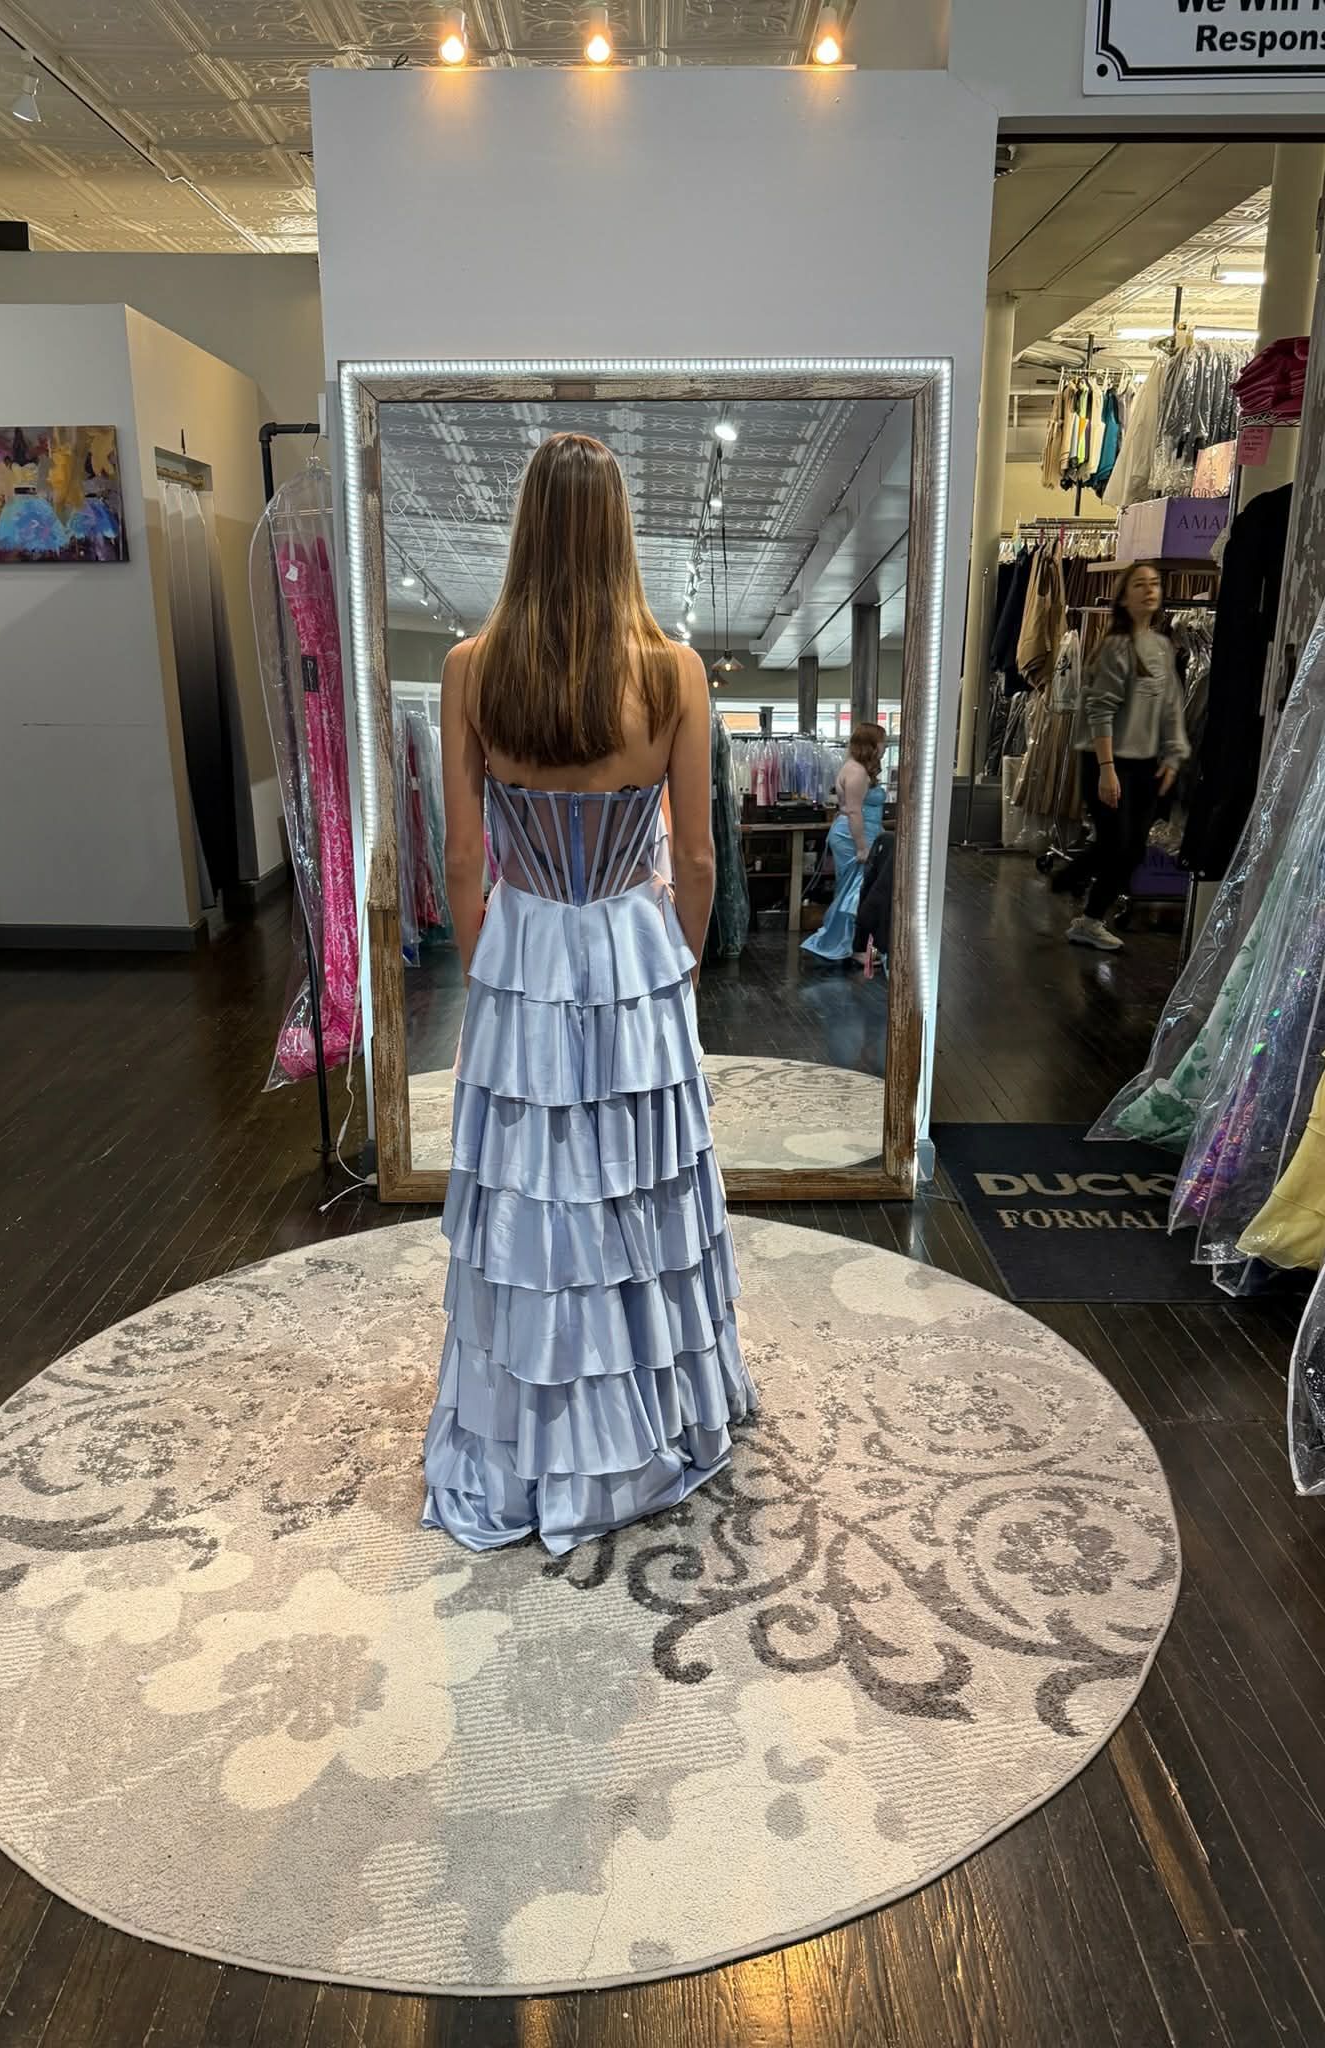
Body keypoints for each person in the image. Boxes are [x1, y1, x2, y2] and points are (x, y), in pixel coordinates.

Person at [422, 432, 758, 1556]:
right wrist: (679, 965)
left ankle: (529, 1426)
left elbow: (463, 862)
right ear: (621, 530)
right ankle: (651, 1410)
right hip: (629, 944)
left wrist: (492, 967)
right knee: (635, 1187)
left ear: (526, 528)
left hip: (523, 946)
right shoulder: (673, 671)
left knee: (531, 1193)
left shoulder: (472, 668)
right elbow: (700, 859)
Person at [1062, 561, 1189, 952]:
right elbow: (1099, 710)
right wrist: (1106, 770)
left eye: (1155, 584)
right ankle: (1077, 894)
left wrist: (1172, 755)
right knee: (1118, 845)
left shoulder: (1163, 646)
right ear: (1124, 596)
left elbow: (1171, 707)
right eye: (1140, 584)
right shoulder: (1116, 648)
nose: (1150, 590)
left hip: (1145, 764)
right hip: (1107, 760)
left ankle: (1083, 908)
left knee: (1130, 849)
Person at [802, 722, 887, 963]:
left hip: (861, 833)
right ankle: (853, 946)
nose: (884, 746)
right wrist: (862, 846)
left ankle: (852, 943)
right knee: (857, 891)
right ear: (870, 744)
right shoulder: (857, 772)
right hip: (853, 836)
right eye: (881, 741)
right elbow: (854, 812)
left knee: (855, 890)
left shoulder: (857, 769)